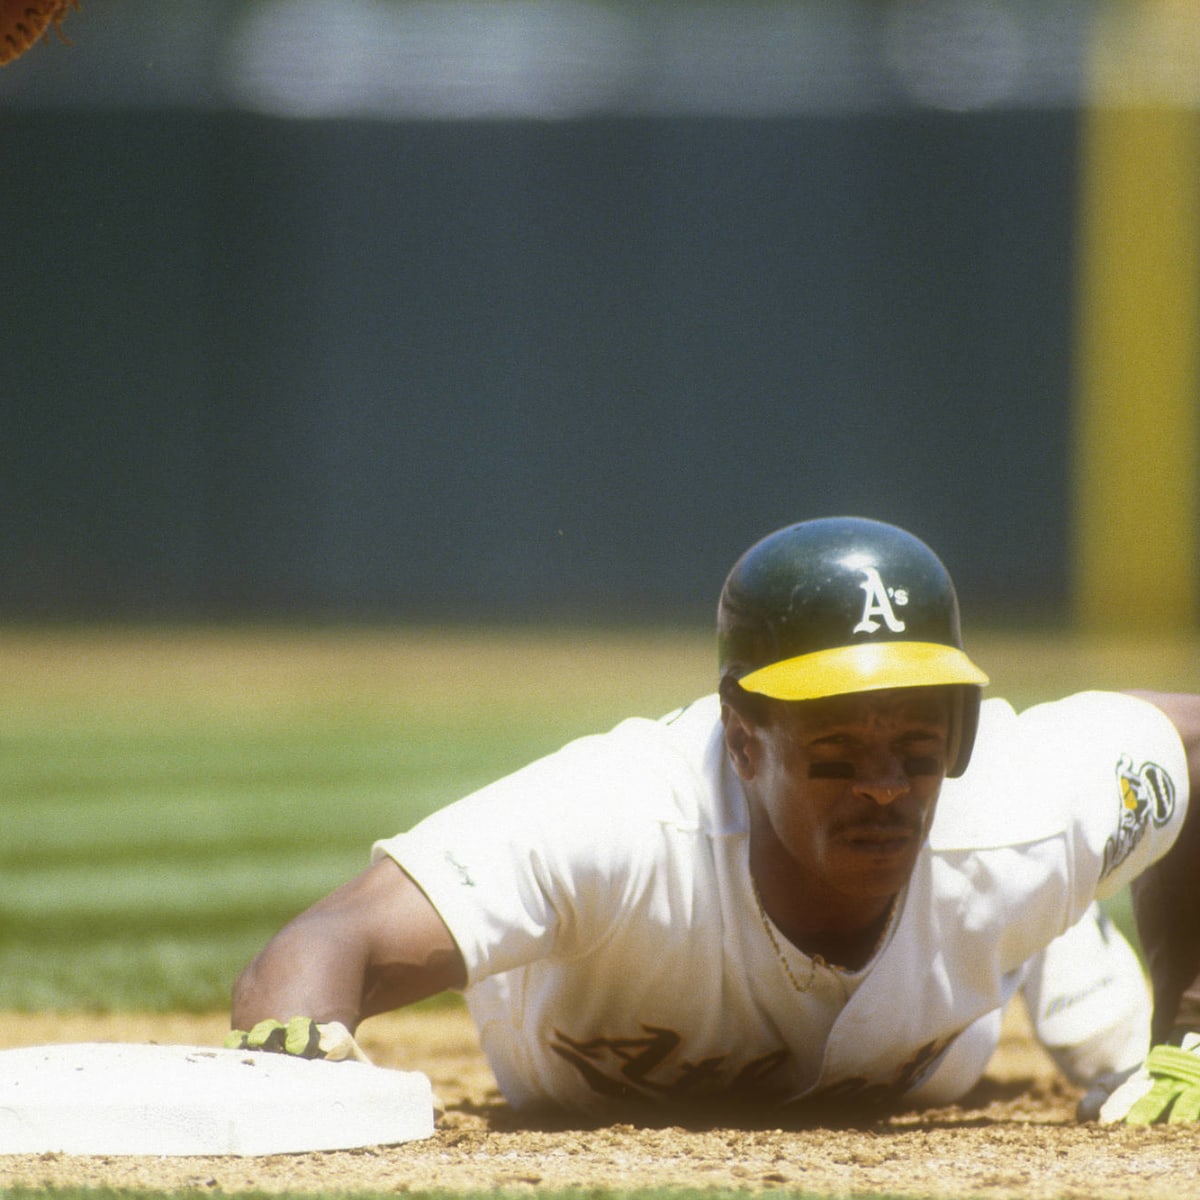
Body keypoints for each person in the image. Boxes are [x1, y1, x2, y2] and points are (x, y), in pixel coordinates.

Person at [228, 517, 1200, 1124]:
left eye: (916, 742)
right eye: (836, 749)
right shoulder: (614, 824)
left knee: (1043, 915)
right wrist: (296, 1060)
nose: (883, 788)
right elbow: (330, 940)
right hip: (579, 1055)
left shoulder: (1024, 805)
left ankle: (1071, 949)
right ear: (742, 735)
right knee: (1015, 878)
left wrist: (1192, 1019)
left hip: (970, 957)